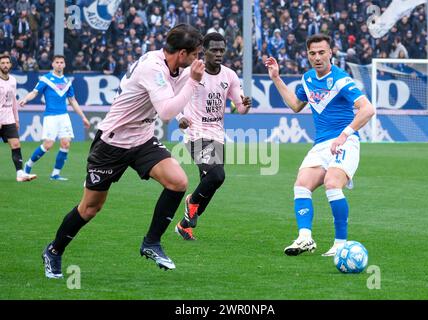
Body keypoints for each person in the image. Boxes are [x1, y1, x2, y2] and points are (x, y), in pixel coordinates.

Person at [40, 24, 204, 278]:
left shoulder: (173, 66)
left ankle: (151, 243)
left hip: (142, 139)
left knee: (178, 182)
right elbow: (166, 112)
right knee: (90, 208)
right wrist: (193, 82)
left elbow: (174, 95)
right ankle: (54, 250)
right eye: (195, 54)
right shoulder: (153, 67)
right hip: (112, 143)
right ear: (182, 53)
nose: (197, 59)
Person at [265, 34, 375, 257]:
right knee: (301, 185)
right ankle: (305, 238)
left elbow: (367, 109)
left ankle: (340, 244)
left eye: (321, 52)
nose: (317, 57)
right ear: (307, 55)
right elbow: (296, 105)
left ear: (331, 53)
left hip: (345, 141)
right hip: (321, 144)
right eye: (312, 53)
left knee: (332, 183)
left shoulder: (341, 80)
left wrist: (344, 135)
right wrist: (276, 78)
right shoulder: (307, 79)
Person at [174, 32, 252, 240]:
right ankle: (190, 201)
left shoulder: (229, 75)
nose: (218, 54)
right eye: (214, 50)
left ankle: (184, 225)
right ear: (203, 51)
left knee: (210, 185)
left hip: (217, 134)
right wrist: (179, 117)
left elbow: (239, 107)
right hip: (195, 132)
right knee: (217, 175)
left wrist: (244, 105)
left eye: (221, 50)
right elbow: (175, 98)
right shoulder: (192, 72)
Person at [19, 55, 90, 181]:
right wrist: (25, 99)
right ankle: (28, 164)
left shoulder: (67, 82)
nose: (59, 64)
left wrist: (83, 117)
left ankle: (55, 174)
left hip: (64, 116)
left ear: (64, 65)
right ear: (52, 64)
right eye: (57, 62)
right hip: (51, 116)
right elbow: (34, 92)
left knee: (66, 143)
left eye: (61, 62)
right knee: (48, 145)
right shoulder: (46, 79)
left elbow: (73, 101)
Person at [0, 54, 37, 182]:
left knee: (16, 144)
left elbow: (14, 101)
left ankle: (20, 173)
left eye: (7, 63)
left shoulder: (13, 80)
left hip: (9, 117)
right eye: (2, 63)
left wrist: (16, 119)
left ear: (10, 65)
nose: (5, 65)